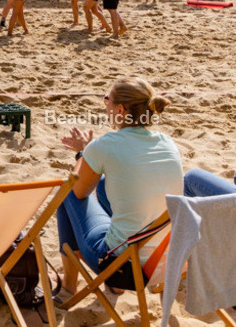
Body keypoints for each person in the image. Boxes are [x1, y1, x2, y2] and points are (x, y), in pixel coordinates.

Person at [57, 78, 182, 297]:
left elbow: (77, 191)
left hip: (121, 266)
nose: (105, 104)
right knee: (105, 184)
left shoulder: (104, 145)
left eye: (107, 99)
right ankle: (112, 286)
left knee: (65, 194)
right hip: (165, 260)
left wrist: (82, 154)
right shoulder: (167, 142)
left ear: (121, 109)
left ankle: (69, 286)